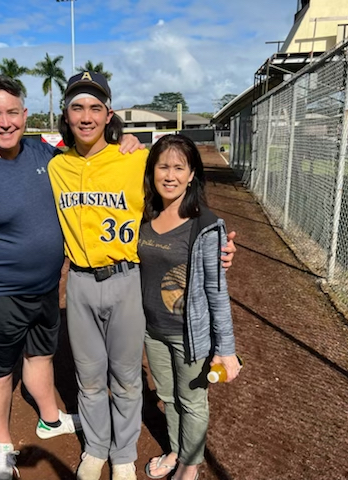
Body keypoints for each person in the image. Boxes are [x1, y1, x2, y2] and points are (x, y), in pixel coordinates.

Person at [0, 72, 144, 480]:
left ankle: (50, 417)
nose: (5, 122)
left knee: (40, 356)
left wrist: (126, 142)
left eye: (13, 112)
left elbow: (97, 160)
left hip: (46, 289)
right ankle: (1, 446)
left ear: (25, 115)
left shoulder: (45, 155)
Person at [48, 73, 237, 480]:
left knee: (129, 378)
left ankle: (122, 454)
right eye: (77, 107)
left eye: (95, 108)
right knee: (89, 376)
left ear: (108, 114)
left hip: (125, 279)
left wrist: (218, 244)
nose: (86, 116)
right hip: (79, 282)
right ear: (66, 113)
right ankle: (96, 448)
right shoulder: (55, 166)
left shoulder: (136, 160)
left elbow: (178, 191)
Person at [138, 134, 241, 480]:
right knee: (167, 396)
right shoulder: (145, 216)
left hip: (189, 336)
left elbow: (216, 291)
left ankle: (191, 464)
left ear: (192, 173)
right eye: (162, 166)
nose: (170, 175)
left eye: (179, 167)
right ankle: (176, 450)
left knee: (192, 401)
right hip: (152, 331)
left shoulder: (205, 225)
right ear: (151, 171)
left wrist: (226, 350)